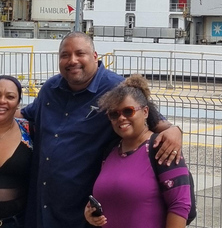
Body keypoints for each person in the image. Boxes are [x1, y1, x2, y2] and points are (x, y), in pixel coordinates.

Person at [20, 32, 183, 228]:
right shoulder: (49, 89)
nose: (72, 60)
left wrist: (175, 131)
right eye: (65, 55)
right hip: (42, 208)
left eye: (80, 53)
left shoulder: (115, 88)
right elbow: (23, 115)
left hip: (85, 214)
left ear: (95, 56)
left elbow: (153, 120)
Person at [85, 75, 191, 227]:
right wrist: (90, 214)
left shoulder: (161, 147)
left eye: (128, 111)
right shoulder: (110, 151)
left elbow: (180, 205)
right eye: (114, 114)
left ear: (145, 111)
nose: (121, 118)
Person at [0, 76, 33, 227]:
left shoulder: (30, 131)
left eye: (10, 96)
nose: (2, 101)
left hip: (15, 221)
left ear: (18, 102)